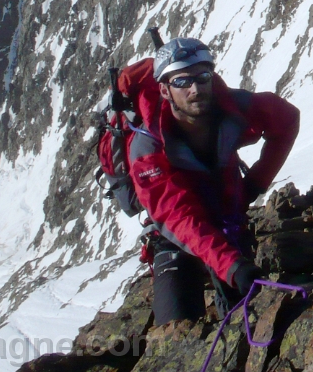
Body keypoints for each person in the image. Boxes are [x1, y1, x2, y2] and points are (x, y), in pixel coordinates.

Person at [118, 37, 300, 325]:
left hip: (226, 216)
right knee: (177, 331)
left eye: (203, 77)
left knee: (247, 315)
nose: (196, 89)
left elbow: (287, 118)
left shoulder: (234, 107)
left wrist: (255, 183)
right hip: (173, 238)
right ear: (164, 90)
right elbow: (178, 218)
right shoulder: (147, 149)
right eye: (182, 82)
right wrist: (232, 265)